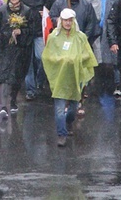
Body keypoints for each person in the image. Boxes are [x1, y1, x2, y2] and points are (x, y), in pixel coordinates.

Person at [42, 8, 97, 147]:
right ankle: (61, 134)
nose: (67, 23)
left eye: (70, 20)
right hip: (60, 78)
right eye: (65, 20)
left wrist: (76, 59)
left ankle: (68, 122)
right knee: (60, 109)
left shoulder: (80, 37)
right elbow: (48, 56)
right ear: (61, 21)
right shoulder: (54, 37)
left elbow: (88, 55)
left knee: (72, 108)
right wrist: (62, 60)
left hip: (75, 77)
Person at [0, 0, 37, 118]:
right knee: (4, 77)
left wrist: (21, 32)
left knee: (16, 77)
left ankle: (13, 100)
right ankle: (4, 106)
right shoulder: (2, 11)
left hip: (20, 50)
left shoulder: (27, 11)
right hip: (4, 49)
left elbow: (32, 30)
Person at [20, 0, 57, 101]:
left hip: (41, 31)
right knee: (28, 61)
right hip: (26, 30)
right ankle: (30, 89)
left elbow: (55, 8)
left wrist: (48, 14)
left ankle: (40, 80)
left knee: (41, 58)